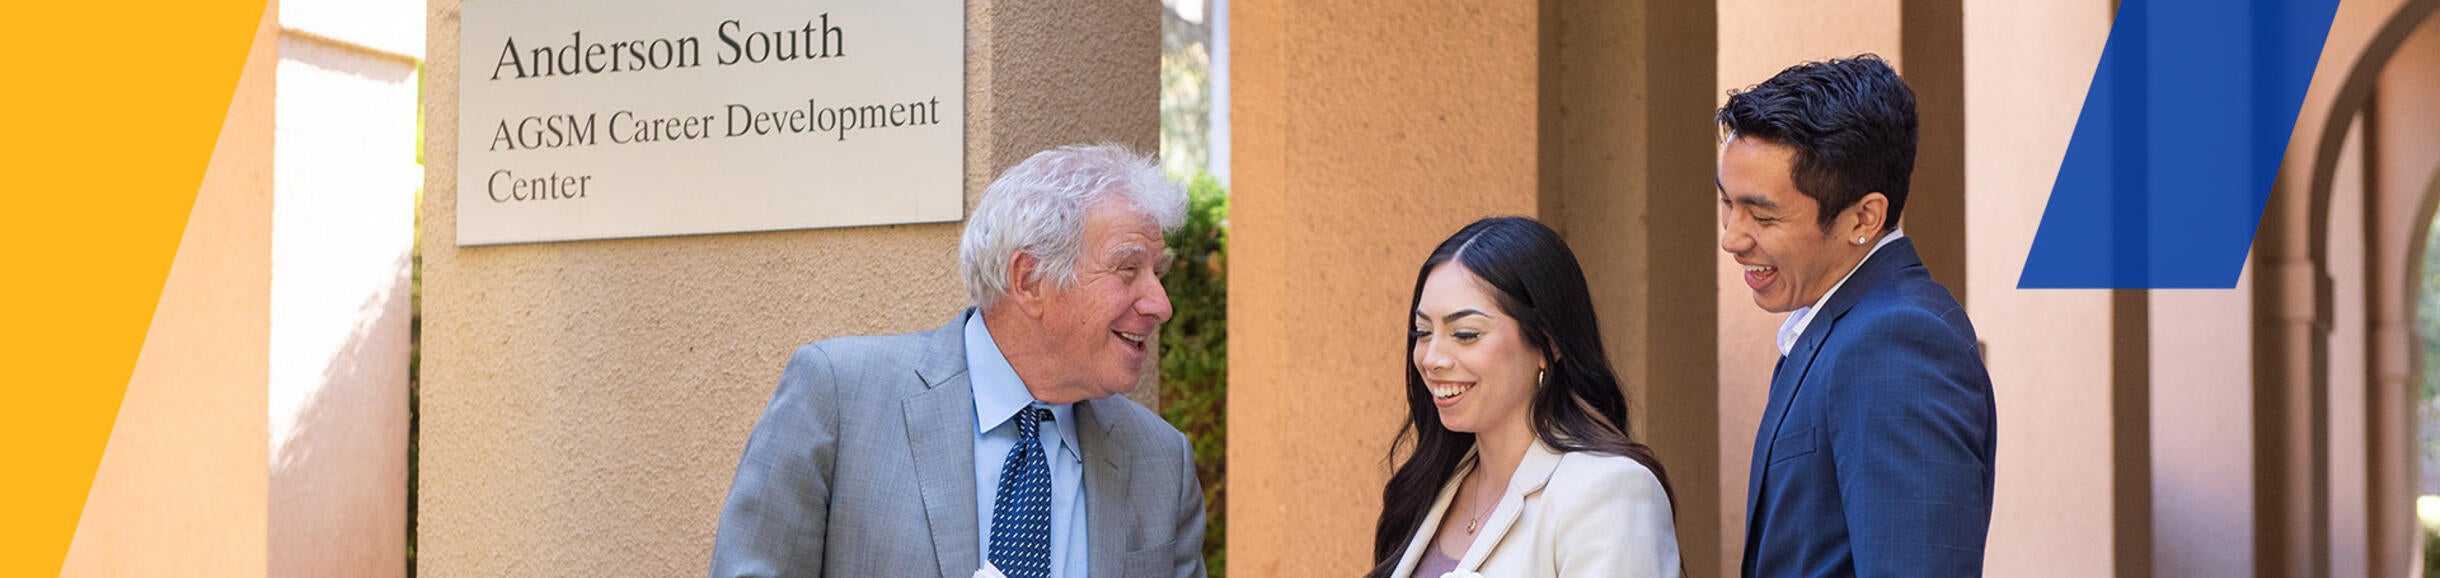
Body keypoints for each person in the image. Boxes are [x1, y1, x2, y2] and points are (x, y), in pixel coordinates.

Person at [709, 144, 1207, 578]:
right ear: (1030, 280)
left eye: (1157, 272)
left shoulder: (1163, 461)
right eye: (1128, 269)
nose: (1159, 304)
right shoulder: (839, 395)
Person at [1716, 55, 1997, 577]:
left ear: (1863, 218)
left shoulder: (1898, 344)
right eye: (1727, 205)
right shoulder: (1848, 329)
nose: (1732, 237)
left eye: (1762, 214)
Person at [1368, 216, 1681, 578]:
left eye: (1465, 333)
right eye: (1422, 331)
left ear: (1547, 344)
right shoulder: (1432, 486)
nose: (1432, 358)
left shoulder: (1609, 491)